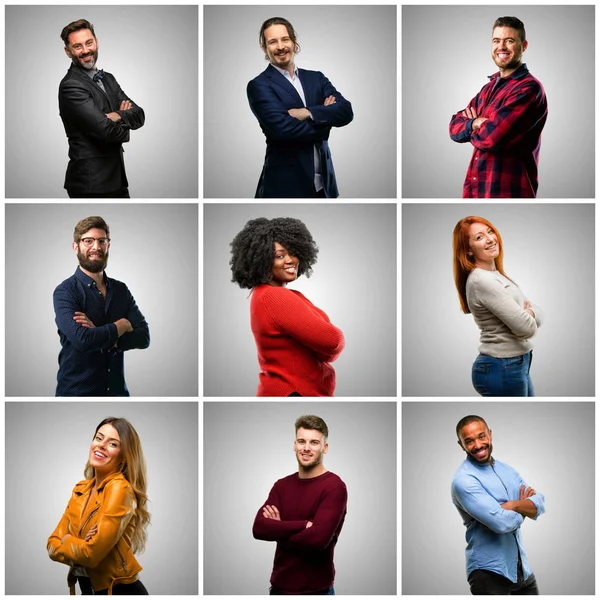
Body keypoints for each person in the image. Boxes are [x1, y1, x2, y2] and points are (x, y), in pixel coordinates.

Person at [230, 217, 345, 396]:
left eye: (293, 252)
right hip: (293, 391)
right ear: (261, 259)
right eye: (279, 256)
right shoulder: (273, 297)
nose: (290, 260)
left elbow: (328, 352)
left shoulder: (266, 295)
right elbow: (333, 341)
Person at [247, 17, 353, 198]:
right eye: (273, 42)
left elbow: (346, 111)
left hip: (325, 186)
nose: (280, 46)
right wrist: (326, 119)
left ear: (294, 42)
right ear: (265, 48)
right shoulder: (260, 85)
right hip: (285, 186)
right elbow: (284, 131)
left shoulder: (316, 78)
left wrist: (308, 113)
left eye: (285, 39)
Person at [48, 417, 151, 595]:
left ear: (124, 457)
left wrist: (66, 540)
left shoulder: (120, 488)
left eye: (112, 444)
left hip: (118, 591)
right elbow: (51, 544)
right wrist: (79, 543)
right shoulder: (81, 489)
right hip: (87, 590)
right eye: (98, 438)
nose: (101, 445)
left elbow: (90, 555)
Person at [449, 16, 548, 198]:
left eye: (509, 41)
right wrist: (476, 123)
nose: (501, 47)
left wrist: (472, 124)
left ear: (523, 46)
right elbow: (454, 127)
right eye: (496, 40)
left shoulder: (528, 89)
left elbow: (492, 137)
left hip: (508, 193)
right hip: (475, 192)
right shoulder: (488, 89)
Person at [53, 216, 150, 396]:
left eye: (101, 241)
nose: (96, 247)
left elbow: (144, 337)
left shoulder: (121, 290)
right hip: (76, 394)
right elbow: (83, 340)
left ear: (108, 246)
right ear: (76, 247)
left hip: (118, 393)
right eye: (88, 241)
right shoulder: (65, 292)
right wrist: (120, 326)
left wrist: (101, 334)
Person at [253, 415, 347, 595]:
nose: (306, 448)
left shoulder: (334, 487)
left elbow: (318, 540)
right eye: (301, 441)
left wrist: (278, 528)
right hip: (279, 589)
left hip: (316, 592)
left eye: (314, 442)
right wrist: (303, 525)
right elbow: (258, 529)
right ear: (294, 445)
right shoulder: (281, 486)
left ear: (324, 448)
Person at [452, 415, 545, 594]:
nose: (478, 445)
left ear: (490, 434)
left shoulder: (507, 470)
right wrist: (524, 507)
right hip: (488, 573)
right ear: (461, 445)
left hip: (521, 569)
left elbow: (539, 502)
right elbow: (501, 524)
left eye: (481, 436)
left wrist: (513, 505)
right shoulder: (464, 480)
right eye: (469, 441)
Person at [453, 216, 543, 396]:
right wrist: (529, 313)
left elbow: (538, 312)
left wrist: (529, 312)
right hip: (503, 366)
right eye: (479, 237)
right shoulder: (482, 281)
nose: (490, 239)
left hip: (515, 364)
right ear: (468, 251)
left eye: (490, 231)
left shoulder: (496, 276)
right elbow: (526, 328)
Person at [59, 19, 145, 198]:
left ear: (96, 42)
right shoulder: (71, 85)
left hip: (117, 179)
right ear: (68, 52)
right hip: (90, 182)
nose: (85, 50)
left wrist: (115, 115)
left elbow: (139, 114)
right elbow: (104, 130)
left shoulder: (108, 79)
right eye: (78, 46)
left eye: (89, 43)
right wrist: (123, 121)